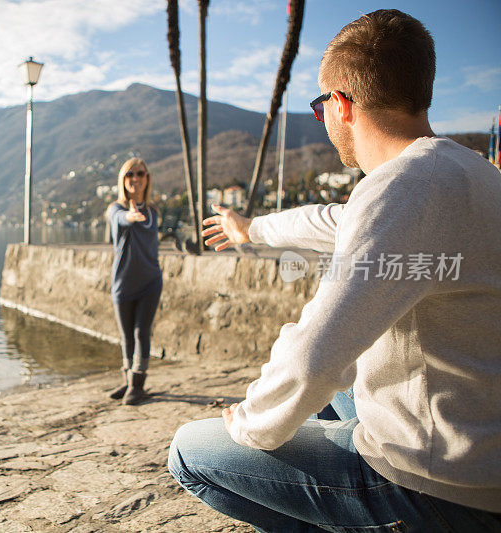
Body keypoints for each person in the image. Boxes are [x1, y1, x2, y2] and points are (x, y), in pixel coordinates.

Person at [168, 9, 501, 532]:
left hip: (437, 486)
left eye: (321, 107)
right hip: (482, 451)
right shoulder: (472, 175)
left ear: (340, 105)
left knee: (189, 452)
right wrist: (252, 229)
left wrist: (250, 423)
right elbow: (334, 221)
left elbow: (314, 354)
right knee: (342, 395)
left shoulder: (402, 187)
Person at [106, 157, 162, 405]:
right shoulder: (116, 209)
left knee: (141, 332)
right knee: (126, 335)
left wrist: (138, 215)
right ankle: (128, 379)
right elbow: (121, 220)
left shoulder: (153, 213)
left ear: (147, 178)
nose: (135, 178)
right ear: (123, 179)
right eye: (130, 174)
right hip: (123, 283)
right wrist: (130, 216)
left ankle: (137, 384)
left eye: (140, 173)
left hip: (151, 282)